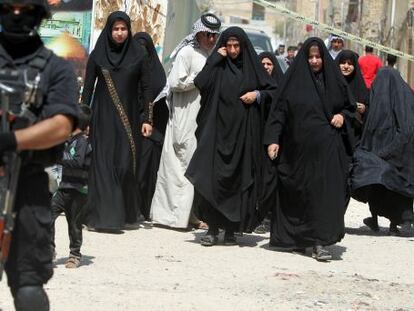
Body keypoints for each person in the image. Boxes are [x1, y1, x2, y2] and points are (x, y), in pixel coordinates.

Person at [0, 0, 79, 309]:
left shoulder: (56, 69)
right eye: (9, 8)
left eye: (26, 9)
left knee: (29, 287)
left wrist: (11, 141)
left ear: (39, 15)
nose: (17, 16)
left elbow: (61, 125)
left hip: (27, 187)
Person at [185, 27, 278, 246]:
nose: (234, 50)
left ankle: (229, 230)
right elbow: (201, 82)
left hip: (243, 135)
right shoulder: (218, 66)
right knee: (212, 179)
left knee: (237, 180)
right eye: (229, 46)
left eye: (237, 46)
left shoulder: (252, 68)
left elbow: (273, 90)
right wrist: (216, 58)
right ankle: (212, 229)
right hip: (216, 132)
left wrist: (257, 95)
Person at [264, 37, 354, 261]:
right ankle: (298, 239)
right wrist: (273, 139)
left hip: (326, 150)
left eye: (318, 57)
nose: (314, 61)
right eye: (311, 57)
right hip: (297, 151)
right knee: (298, 193)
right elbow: (279, 112)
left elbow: (349, 107)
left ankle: (319, 242)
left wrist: (342, 116)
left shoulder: (334, 81)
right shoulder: (293, 81)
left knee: (323, 195)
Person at [81, 11, 153, 230]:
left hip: (128, 119)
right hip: (102, 117)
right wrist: (82, 119)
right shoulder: (98, 55)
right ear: (109, 30)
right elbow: (88, 89)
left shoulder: (138, 54)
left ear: (129, 30)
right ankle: (101, 218)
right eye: (116, 29)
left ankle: (125, 214)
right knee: (102, 164)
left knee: (124, 165)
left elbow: (147, 88)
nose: (120, 33)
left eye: (124, 29)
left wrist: (147, 119)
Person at [150, 13, 221, 230]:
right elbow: (176, 82)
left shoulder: (210, 55)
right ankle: (170, 217)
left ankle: (190, 215)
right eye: (207, 35)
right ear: (198, 33)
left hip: (201, 117)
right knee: (178, 166)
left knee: (193, 167)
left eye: (214, 35)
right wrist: (200, 77)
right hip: (184, 116)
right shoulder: (187, 53)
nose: (211, 39)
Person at [351, 67, 414, 236]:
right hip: (389, 150)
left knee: (398, 185)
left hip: (400, 151)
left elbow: (406, 130)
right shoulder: (400, 94)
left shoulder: (403, 98)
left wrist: (386, 152)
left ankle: (403, 221)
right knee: (383, 183)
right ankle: (381, 220)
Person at [51, 105, 91, 269]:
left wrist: (58, 157)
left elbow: (78, 162)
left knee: (74, 225)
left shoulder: (82, 142)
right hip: (63, 189)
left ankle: (75, 254)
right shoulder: (67, 142)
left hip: (78, 191)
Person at [133, 32, 168, 221]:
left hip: (151, 132)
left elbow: (162, 104)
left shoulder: (157, 73)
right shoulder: (130, 70)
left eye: (144, 49)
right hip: (131, 127)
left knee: (147, 172)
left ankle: (144, 209)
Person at [254, 52, 284, 234]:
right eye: (262, 64)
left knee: (270, 178)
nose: (265, 67)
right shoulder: (251, 86)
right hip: (255, 139)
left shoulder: (281, 87)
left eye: (269, 64)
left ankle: (268, 216)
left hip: (272, 141)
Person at [336, 50, 369, 143]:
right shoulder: (331, 83)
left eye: (350, 64)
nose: (346, 66)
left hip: (354, 136)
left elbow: (368, 107)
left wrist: (364, 109)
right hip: (334, 133)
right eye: (343, 63)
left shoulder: (360, 85)